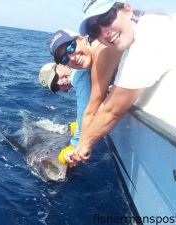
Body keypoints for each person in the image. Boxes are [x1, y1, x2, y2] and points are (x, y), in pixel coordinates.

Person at [66, 0, 176, 164]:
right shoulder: (144, 28)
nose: (104, 33)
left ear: (127, 9)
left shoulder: (149, 40)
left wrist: (82, 146)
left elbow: (112, 111)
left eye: (106, 18)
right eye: (95, 30)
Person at [48, 28, 122, 163]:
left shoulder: (95, 58)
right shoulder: (87, 66)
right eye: (65, 58)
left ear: (81, 38)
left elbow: (90, 110)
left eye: (71, 47)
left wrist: (76, 145)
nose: (72, 57)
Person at [38, 62, 91, 147]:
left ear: (60, 65)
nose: (59, 83)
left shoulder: (78, 76)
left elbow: (86, 111)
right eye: (55, 87)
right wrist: (78, 124)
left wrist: (75, 143)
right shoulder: (78, 71)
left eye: (55, 78)